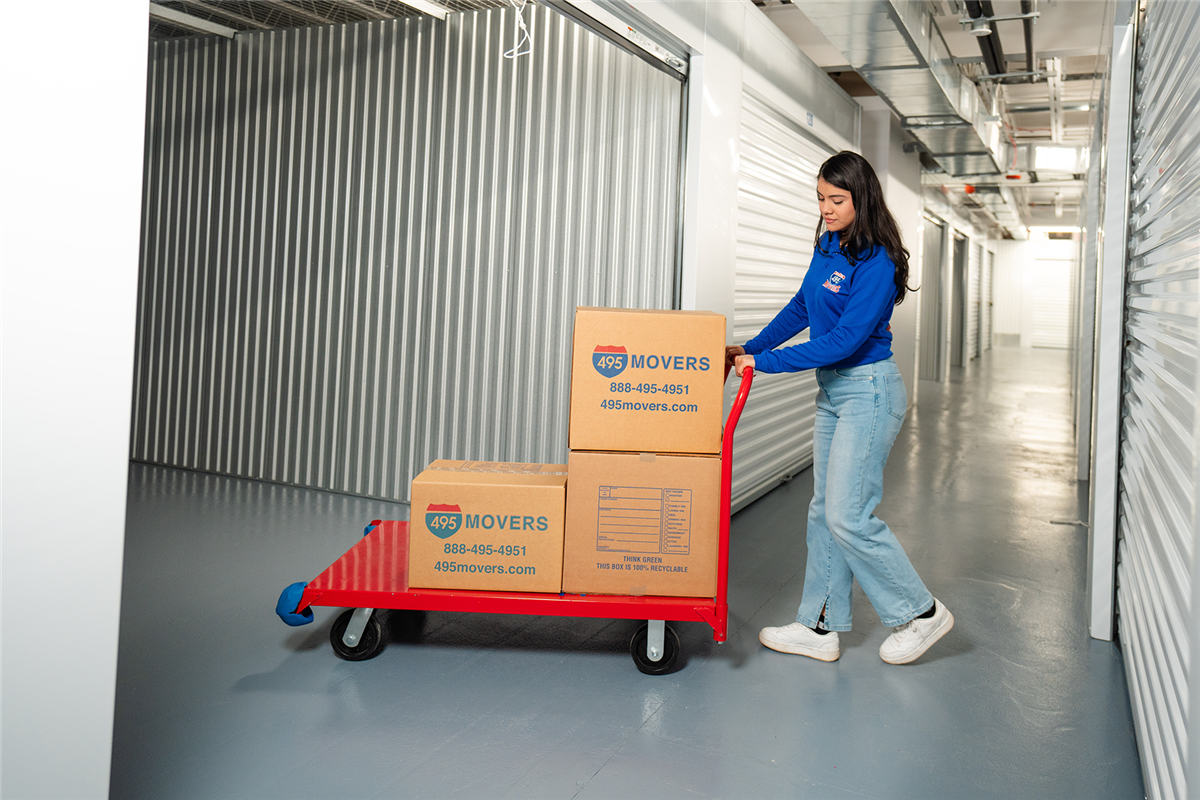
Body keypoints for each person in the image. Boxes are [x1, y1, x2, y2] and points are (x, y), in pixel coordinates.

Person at [727, 150, 953, 665]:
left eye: (836, 200)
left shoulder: (878, 261)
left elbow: (845, 340)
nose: (826, 209)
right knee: (825, 512)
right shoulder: (830, 244)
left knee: (849, 514)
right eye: (821, 199)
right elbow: (803, 306)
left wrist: (766, 363)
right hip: (834, 392)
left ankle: (920, 613)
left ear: (861, 199)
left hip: (867, 392)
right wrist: (750, 348)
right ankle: (819, 626)